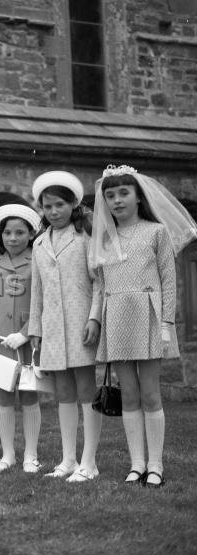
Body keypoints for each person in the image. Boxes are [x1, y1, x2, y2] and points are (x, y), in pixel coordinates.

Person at [89, 164, 197, 487]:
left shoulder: (156, 232)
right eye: (110, 196)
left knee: (151, 394)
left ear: (138, 196)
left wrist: (166, 323)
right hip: (116, 316)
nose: (117, 200)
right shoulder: (104, 240)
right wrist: (96, 319)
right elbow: (99, 284)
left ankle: (156, 465)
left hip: (148, 315)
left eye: (124, 193)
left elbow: (168, 279)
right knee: (130, 395)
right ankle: (136, 464)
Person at [28, 171, 103, 483]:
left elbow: (99, 282)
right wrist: (36, 330)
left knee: (86, 389)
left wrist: (94, 318)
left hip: (81, 321)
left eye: (59, 204)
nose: (53, 211)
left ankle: (90, 461)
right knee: (63, 392)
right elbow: (37, 290)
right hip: (52, 328)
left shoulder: (86, 237)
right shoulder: (39, 243)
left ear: (74, 204)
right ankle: (68, 459)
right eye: (47, 206)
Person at [0, 204, 43, 474]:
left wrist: (26, 333)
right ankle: (8, 455)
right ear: (0, 235)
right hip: (0, 343)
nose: (13, 238)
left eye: (20, 232)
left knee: (29, 395)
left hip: (28, 343)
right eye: (8, 233)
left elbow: (43, 303)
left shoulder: (38, 261)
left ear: (30, 234)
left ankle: (31, 455)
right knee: (3, 396)